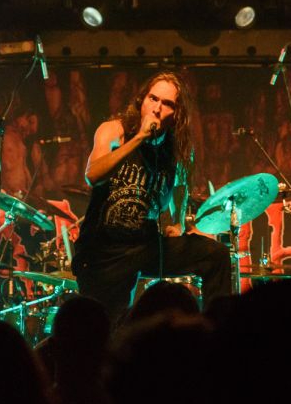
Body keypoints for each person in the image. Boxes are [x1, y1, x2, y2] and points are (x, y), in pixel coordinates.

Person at [73, 71, 231, 322]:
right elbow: (92, 175)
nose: (157, 108)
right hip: (104, 249)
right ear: (142, 100)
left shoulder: (175, 150)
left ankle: (217, 332)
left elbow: (180, 189)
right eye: (153, 98)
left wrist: (178, 223)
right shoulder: (114, 131)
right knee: (106, 326)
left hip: (145, 244)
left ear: (177, 114)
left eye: (167, 104)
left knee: (216, 255)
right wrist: (139, 138)